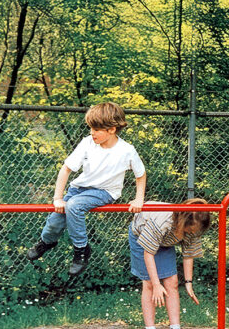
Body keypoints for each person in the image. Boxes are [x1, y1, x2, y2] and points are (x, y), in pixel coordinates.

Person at [26, 102, 147, 275]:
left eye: (96, 129)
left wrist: (139, 199)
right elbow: (66, 169)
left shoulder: (127, 150)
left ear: (112, 129)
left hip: (104, 191)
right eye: (90, 128)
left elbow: (140, 174)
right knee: (54, 221)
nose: (92, 132)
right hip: (79, 189)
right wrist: (57, 198)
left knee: (74, 206)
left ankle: (81, 250)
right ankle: (47, 242)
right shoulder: (87, 143)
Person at [129, 198, 211, 329]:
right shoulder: (163, 221)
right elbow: (148, 253)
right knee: (149, 283)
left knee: (172, 281)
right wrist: (156, 284)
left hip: (166, 241)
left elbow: (189, 254)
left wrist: (188, 283)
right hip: (142, 237)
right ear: (183, 221)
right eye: (191, 230)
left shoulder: (195, 223)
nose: (193, 233)